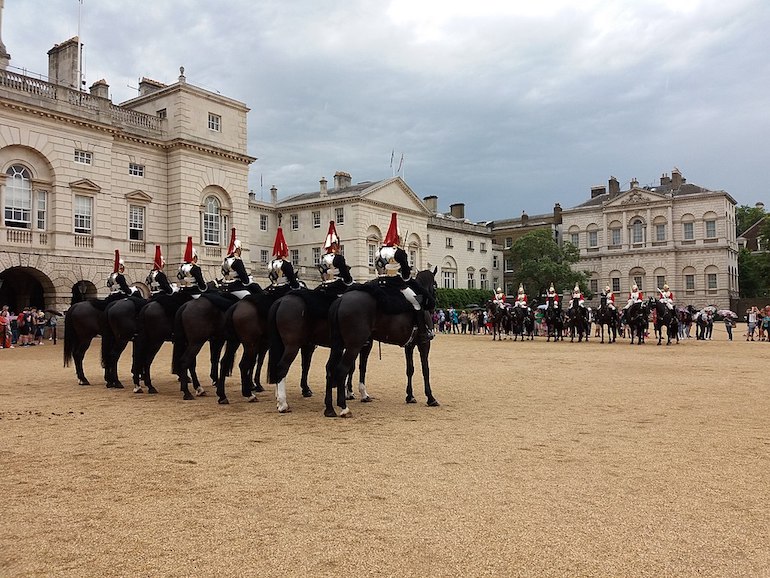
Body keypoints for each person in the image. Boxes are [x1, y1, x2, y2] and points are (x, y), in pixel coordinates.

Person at [374, 212, 433, 341]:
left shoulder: (379, 250)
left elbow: (376, 265)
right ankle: (423, 332)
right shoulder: (399, 252)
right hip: (396, 284)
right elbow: (406, 274)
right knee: (417, 302)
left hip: (378, 282)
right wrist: (406, 276)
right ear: (397, 238)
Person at [318, 221, 353, 289]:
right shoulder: (338, 258)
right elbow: (344, 273)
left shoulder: (323, 257)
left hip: (325, 283)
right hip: (338, 283)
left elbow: (322, 273)